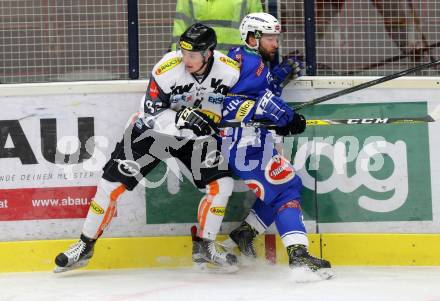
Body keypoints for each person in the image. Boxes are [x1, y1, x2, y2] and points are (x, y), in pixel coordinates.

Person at [54, 23, 242, 273]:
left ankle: (205, 245)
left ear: (209, 53)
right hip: (151, 133)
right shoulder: (166, 69)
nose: (186, 59)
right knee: (110, 186)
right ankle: (85, 245)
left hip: (195, 140)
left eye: (193, 55)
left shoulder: (229, 71)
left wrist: (219, 120)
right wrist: (181, 119)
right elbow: (152, 112)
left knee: (222, 185)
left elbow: (240, 103)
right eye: (183, 53)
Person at [219, 12, 334, 279]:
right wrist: (281, 115)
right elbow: (226, 103)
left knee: (286, 186)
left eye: (276, 37)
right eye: (270, 37)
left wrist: (277, 80)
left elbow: (259, 93)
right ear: (252, 37)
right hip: (243, 148)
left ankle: (244, 235)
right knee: (284, 192)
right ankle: (298, 256)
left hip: (257, 144)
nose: (275, 43)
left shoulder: (254, 60)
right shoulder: (235, 60)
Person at [171, 0, 263, 54]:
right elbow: (180, 31)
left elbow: (258, 28)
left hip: (239, 63)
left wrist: (257, 58)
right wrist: (177, 58)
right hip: (201, 63)